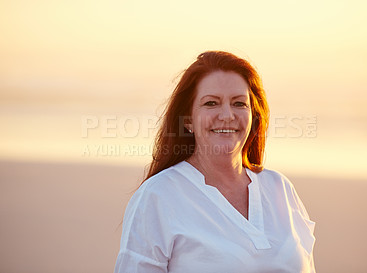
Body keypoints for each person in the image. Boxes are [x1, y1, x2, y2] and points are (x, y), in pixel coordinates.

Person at [114, 51, 316, 272]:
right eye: (211, 103)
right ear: (188, 119)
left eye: (239, 104)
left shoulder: (280, 189)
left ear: (254, 116)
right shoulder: (158, 196)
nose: (227, 115)